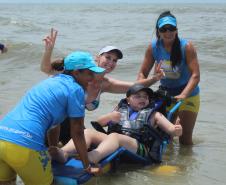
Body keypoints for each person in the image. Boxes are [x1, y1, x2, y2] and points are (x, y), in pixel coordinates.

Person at [41, 28, 165, 145]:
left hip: (74, 126)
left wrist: (155, 78)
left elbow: (135, 86)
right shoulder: (79, 71)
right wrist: (48, 51)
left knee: (92, 147)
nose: (111, 62)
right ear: (97, 57)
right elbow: (47, 69)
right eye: (108, 57)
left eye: (115, 60)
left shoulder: (106, 84)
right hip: (51, 122)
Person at [0, 51, 104, 185]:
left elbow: (54, 123)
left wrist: (53, 148)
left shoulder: (50, 81)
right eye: (90, 73)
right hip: (25, 144)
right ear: (76, 72)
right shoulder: (75, 89)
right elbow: (77, 131)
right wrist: (87, 166)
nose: (92, 77)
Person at [49, 84, 182, 164]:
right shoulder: (120, 109)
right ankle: (63, 153)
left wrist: (177, 130)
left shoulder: (154, 114)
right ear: (128, 100)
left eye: (145, 97)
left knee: (114, 136)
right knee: (87, 132)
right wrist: (109, 116)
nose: (142, 99)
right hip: (116, 142)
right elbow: (98, 123)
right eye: (138, 96)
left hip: (141, 148)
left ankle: (94, 156)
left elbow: (171, 130)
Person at [137, 11, 200, 145]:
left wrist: (183, 94)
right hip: (166, 94)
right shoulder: (153, 47)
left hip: (188, 94)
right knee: (165, 137)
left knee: (184, 139)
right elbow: (142, 72)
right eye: (164, 29)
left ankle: (187, 165)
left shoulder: (186, 47)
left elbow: (196, 76)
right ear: (158, 31)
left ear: (176, 30)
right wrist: (139, 90)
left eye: (171, 28)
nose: (168, 32)